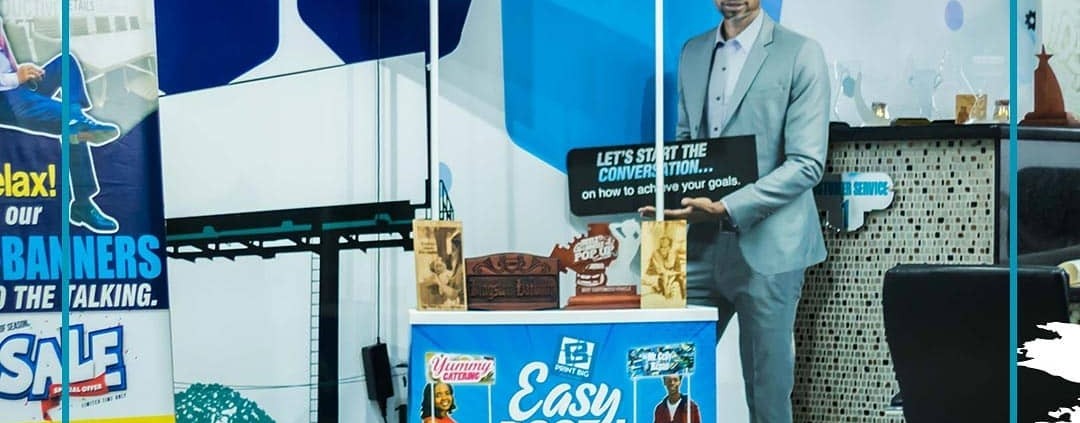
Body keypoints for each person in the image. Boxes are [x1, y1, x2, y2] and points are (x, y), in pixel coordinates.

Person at [640, 1, 829, 422]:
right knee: (659, 369)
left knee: (767, 395)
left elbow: (807, 164)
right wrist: (668, 199)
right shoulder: (692, 51)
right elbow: (687, 145)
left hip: (769, 246)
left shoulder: (801, 53)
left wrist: (727, 206)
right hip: (695, 243)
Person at [0, 17, 121, 233]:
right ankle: (82, 205)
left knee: (67, 63)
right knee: (73, 125)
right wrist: (15, 79)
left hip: (15, 87)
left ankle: (77, 117)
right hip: (4, 100)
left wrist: (20, 71)